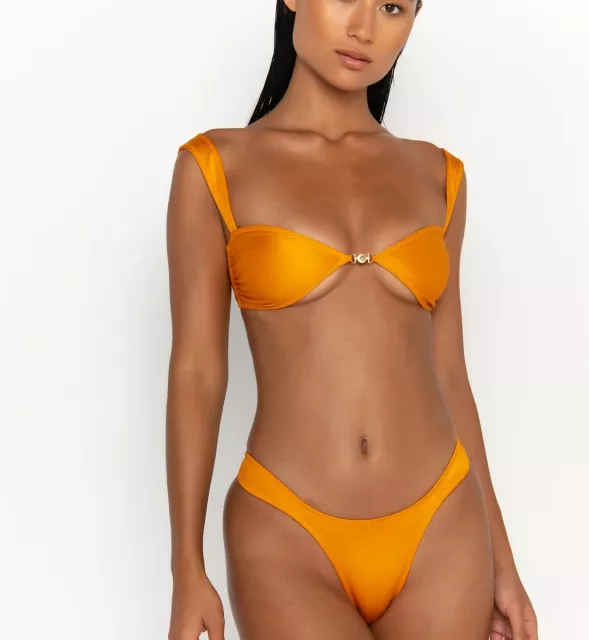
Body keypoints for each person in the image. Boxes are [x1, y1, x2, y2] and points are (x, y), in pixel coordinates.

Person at [165, 1, 537, 639]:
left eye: (392, 7)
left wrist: (503, 561)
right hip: (286, 530)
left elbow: (449, 372)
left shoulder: (439, 176)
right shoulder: (215, 167)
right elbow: (197, 373)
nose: (364, 28)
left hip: (443, 525)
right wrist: (186, 567)